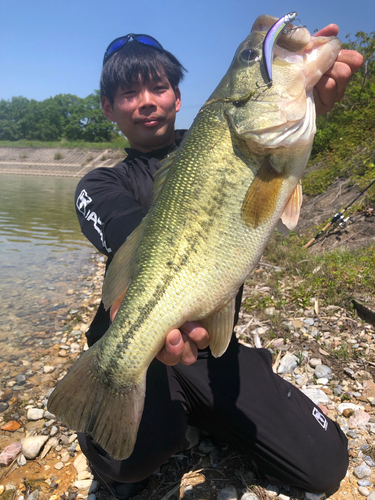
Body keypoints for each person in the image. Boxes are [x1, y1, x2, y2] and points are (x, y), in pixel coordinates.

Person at [75, 29, 363, 499]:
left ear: (179, 98)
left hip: (213, 349)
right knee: (125, 463)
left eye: (159, 88)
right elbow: (133, 241)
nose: (146, 101)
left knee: (324, 464)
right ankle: (143, 407)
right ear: (108, 108)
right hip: (150, 339)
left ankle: (205, 409)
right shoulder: (100, 183)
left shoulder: (228, 134)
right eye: (129, 93)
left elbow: (269, 149)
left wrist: (307, 100)